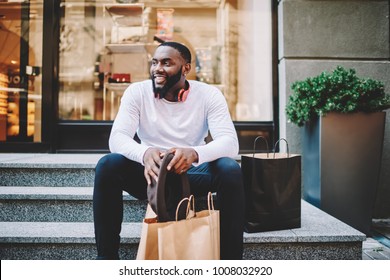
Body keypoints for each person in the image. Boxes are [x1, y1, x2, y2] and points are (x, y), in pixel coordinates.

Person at [93, 41, 245, 260]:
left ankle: (230, 264)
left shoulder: (209, 95)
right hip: (151, 177)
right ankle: (106, 261)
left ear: (186, 68)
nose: (157, 68)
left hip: (191, 175)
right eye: (155, 62)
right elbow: (117, 138)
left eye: (166, 63)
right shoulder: (137, 92)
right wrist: (144, 154)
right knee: (108, 165)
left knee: (229, 169)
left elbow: (230, 143)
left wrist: (194, 153)